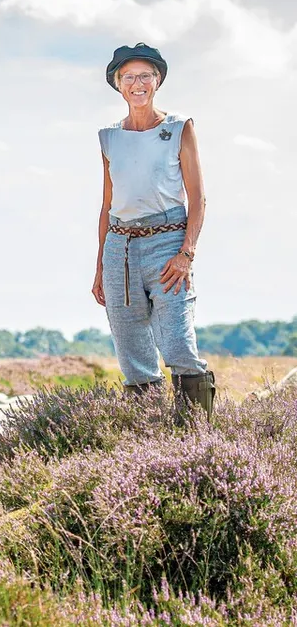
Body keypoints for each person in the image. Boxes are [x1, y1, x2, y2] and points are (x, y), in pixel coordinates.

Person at [92, 42, 216, 419]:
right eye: (128, 77)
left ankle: (197, 438)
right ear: (118, 84)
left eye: (145, 75)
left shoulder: (179, 128)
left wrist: (186, 252)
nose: (137, 83)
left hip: (168, 243)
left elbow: (198, 198)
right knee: (132, 353)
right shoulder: (108, 137)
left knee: (178, 342)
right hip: (120, 248)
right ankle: (148, 441)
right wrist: (100, 266)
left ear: (158, 80)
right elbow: (107, 204)